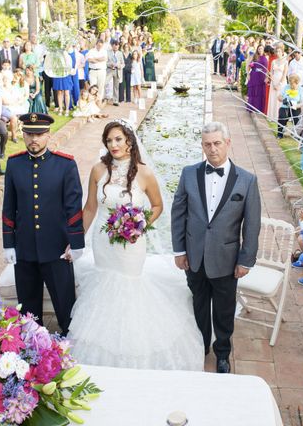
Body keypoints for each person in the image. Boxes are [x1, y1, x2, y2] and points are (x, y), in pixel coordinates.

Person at [68, 120, 204, 370]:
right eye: (109, 141)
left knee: (128, 287)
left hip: (131, 246)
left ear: (130, 140)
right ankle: (104, 344)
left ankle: (130, 347)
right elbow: (89, 208)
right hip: (103, 241)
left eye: (118, 139)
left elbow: (158, 206)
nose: (114, 144)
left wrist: (139, 226)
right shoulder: (98, 170)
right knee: (105, 286)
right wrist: (75, 240)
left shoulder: (144, 173)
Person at [171, 121, 261, 373]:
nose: (212, 149)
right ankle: (201, 346)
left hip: (226, 258)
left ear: (228, 143)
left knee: (223, 310)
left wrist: (246, 260)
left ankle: (223, 353)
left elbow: (252, 225)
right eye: (207, 144)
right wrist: (179, 250)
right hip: (194, 256)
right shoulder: (189, 173)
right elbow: (178, 213)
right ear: (202, 146)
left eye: (217, 143)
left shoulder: (247, 180)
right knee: (199, 304)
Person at [2, 113, 85, 336]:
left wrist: (75, 243)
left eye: (39, 134)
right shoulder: (14, 164)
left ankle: (71, 348)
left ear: (48, 135)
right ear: (23, 135)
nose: (34, 139)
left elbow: (73, 208)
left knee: (65, 307)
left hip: (57, 249)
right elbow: (9, 206)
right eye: (29, 133)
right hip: (25, 249)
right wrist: (8, 243)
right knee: (29, 313)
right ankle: (33, 351)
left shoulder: (65, 165)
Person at [276, 74, 303, 139]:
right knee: (282, 116)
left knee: (296, 118)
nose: (291, 86)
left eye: (293, 84)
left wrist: (296, 105)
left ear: (297, 83)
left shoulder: (301, 89)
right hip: (285, 106)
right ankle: (280, 134)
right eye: (290, 83)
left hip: (295, 107)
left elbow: (302, 102)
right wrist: (283, 99)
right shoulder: (286, 87)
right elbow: (279, 97)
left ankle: (298, 134)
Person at [267, 43, 287, 123]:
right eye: (277, 51)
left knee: (279, 99)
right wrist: (273, 81)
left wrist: (279, 84)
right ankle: (272, 116)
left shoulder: (285, 62)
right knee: (273, 98)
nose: (278, 53)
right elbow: (271, 72)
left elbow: (284, 74)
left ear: (282, 52)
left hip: (281, 82)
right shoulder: (273, 62)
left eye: (279, 51)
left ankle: (279, 116)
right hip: (274, 81)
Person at [247, 44, 268, 114]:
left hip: (262, 77)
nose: (260, 50)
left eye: (261, 49)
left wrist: (267, 77)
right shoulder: (254, 56)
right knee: (254, 92)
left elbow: (268, 68)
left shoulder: (266, 57)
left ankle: (259, 109)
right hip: (254, 76)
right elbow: (249, 65)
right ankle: (252, 107)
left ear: (263, 49)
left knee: (260, 93)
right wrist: (248, 74)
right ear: (257, 49)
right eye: (259, 49)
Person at [106, 40, 124, 106]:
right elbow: (105, 62)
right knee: (105, 83)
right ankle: (104, 97)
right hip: (110, 70)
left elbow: (123, 63)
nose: (116, 46)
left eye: (117, 45)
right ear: (112, 45)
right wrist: (110, 64)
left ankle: (115, 100)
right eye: (115, 45)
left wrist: (120, 66)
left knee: (116, 86)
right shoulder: (107, 52)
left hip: (118, 71)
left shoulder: (120, 53)